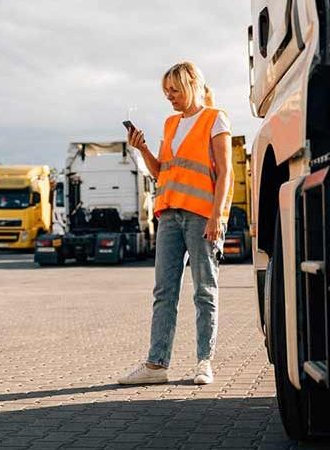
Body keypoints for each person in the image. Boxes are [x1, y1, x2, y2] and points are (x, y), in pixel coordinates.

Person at [118, 61, 233, 385]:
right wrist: (141, 150)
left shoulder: (215, 118)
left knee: (204, 292)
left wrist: (217, 217)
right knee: (164, 292)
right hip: (168, 215)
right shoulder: (170, 124)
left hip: (200, 217)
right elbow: (161, 173)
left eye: (174, 90)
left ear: (192, 84)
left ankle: (203, 362)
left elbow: (225, 172)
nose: (169, 96)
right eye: (166, 91)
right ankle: (157, 366)